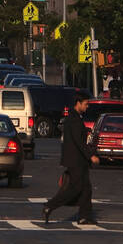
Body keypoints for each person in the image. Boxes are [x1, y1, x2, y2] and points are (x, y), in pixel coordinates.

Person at [42, 90, 99, 225]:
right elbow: (78, 142)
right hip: (75, 161)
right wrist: (91, 156)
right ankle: (49, 206)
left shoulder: (75, 118)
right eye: (85, 104)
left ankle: (85, 216)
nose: (87, 106)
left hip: (78, 160)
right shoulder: (73, 120)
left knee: (86, 188)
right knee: (74, 189)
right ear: (78, 104)